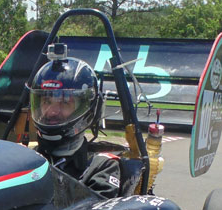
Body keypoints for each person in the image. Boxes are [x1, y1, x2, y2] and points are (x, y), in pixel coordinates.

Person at [28, 45, 142, 198]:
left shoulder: (101, 166)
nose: (52, 111)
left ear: (86, 108)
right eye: (47, 102)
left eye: (64, 103)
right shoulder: (26, 159)